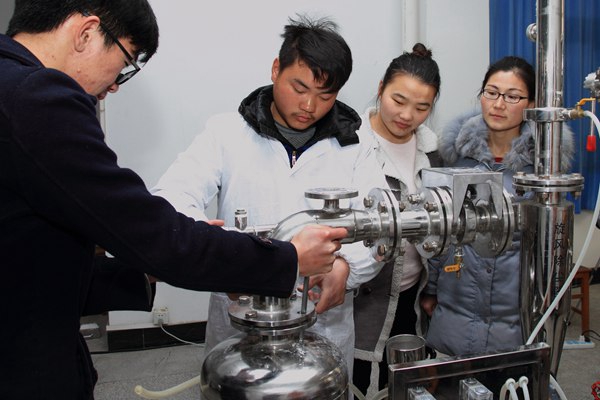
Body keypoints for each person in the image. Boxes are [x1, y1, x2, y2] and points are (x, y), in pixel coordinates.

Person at [0, 1, 349, 399]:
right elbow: (149, 228)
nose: (114, 85)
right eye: (125, 63)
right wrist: (286, 260)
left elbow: (30, 263)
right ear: (86, 33)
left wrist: (151, 267)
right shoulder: (37, 100)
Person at [152, 15, 387, 380]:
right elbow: (170, 199)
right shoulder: (226, 133)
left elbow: (381, 224)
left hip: (322, 325)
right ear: (276, 69)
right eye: (299, 88)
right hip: (241, 325)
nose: (309, 105)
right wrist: (223, 255)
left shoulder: (357, 146)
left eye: (325, 96)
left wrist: (346, 267)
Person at [420, 56, 574, 357]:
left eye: (512, 96)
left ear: (532, 104)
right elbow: (440, 233)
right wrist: (432, 288)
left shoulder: (542, 173)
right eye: (491, 92)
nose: (499, 104)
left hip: (517, 322)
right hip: (455, 314)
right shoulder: (456, 160)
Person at [351, 43, 442, 397]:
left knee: (402, 381)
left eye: (422, 107)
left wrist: (432, 289)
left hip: (411, 291)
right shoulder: (351, 143)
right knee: (355, 379)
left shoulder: (432, 151)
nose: (407, 115)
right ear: (380, 88)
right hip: (360, 293)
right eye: (398, 100)